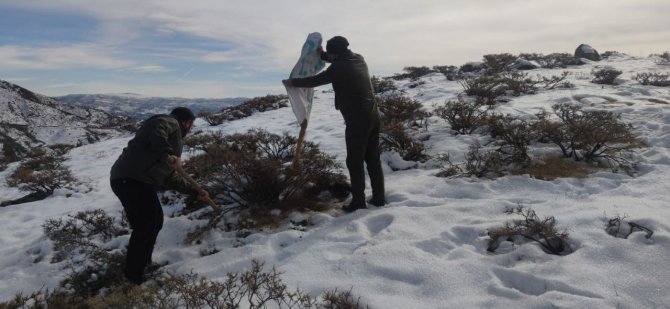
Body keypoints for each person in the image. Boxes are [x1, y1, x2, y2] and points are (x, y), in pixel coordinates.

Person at [283, 36, 385, 212]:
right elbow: (334, 61)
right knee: (373, 159)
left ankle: (358, 202)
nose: (329, 58)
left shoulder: (340, 67)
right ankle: (379, 198)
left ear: (335, 54)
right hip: (373, 116)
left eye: (330, 55)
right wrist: (322, 54)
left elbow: (317, 80)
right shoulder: (358, 58)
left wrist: (293, 83)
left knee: (355, 161)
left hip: (357, 120)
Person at [110, 107, 209, 284]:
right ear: (186, 122)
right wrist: (166, 151)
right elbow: (157, 126)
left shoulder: (172, 142)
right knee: (146, 226)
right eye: (190, 124)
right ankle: (133, 276)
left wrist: (196, 191)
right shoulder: (170, 123)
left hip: (134, 181)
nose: (190, 128)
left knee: (155, 221)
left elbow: (169, 178)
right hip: (130, 179)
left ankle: (142, 264)